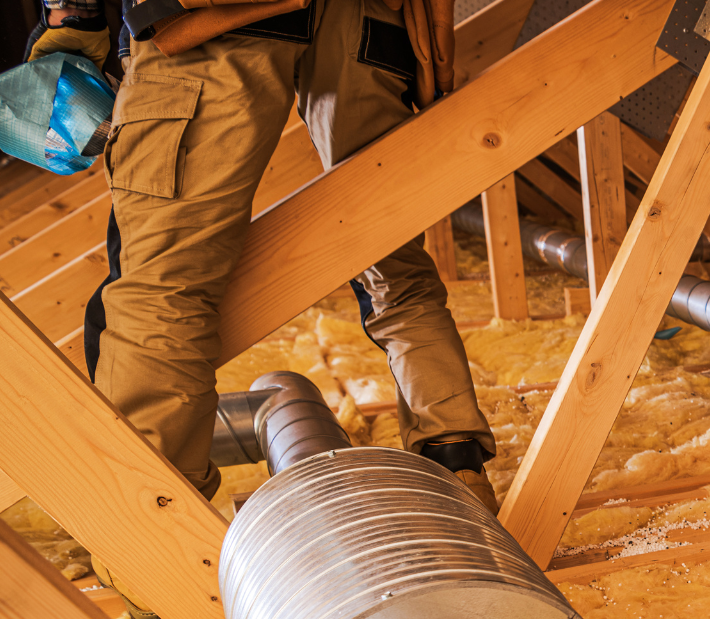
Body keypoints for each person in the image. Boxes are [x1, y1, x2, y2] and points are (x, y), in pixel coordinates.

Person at [26, 0, 498, 526]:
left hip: (204, 17)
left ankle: (153, 542)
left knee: (165, 287)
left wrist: (72, 15)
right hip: (372, 22)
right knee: (390, 254)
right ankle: (455, 460)